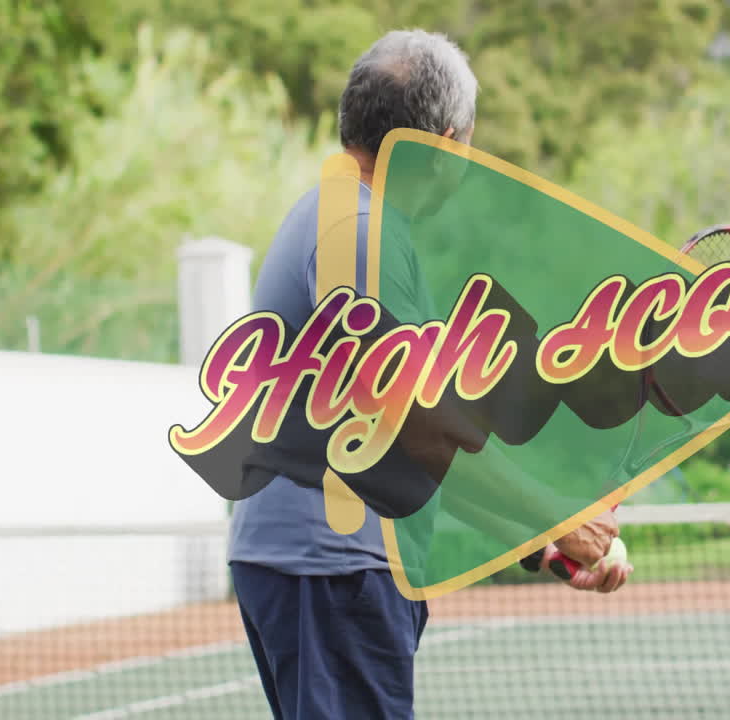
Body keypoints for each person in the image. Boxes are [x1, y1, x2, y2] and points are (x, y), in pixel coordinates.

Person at [227, 30, 629, 720]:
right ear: (442, 146)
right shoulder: (360, 233)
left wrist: (541, 542)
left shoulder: (345, 217)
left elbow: (410, 444)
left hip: (317, 563)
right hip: (335, 564)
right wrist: (558, 517)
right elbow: (422, 429)